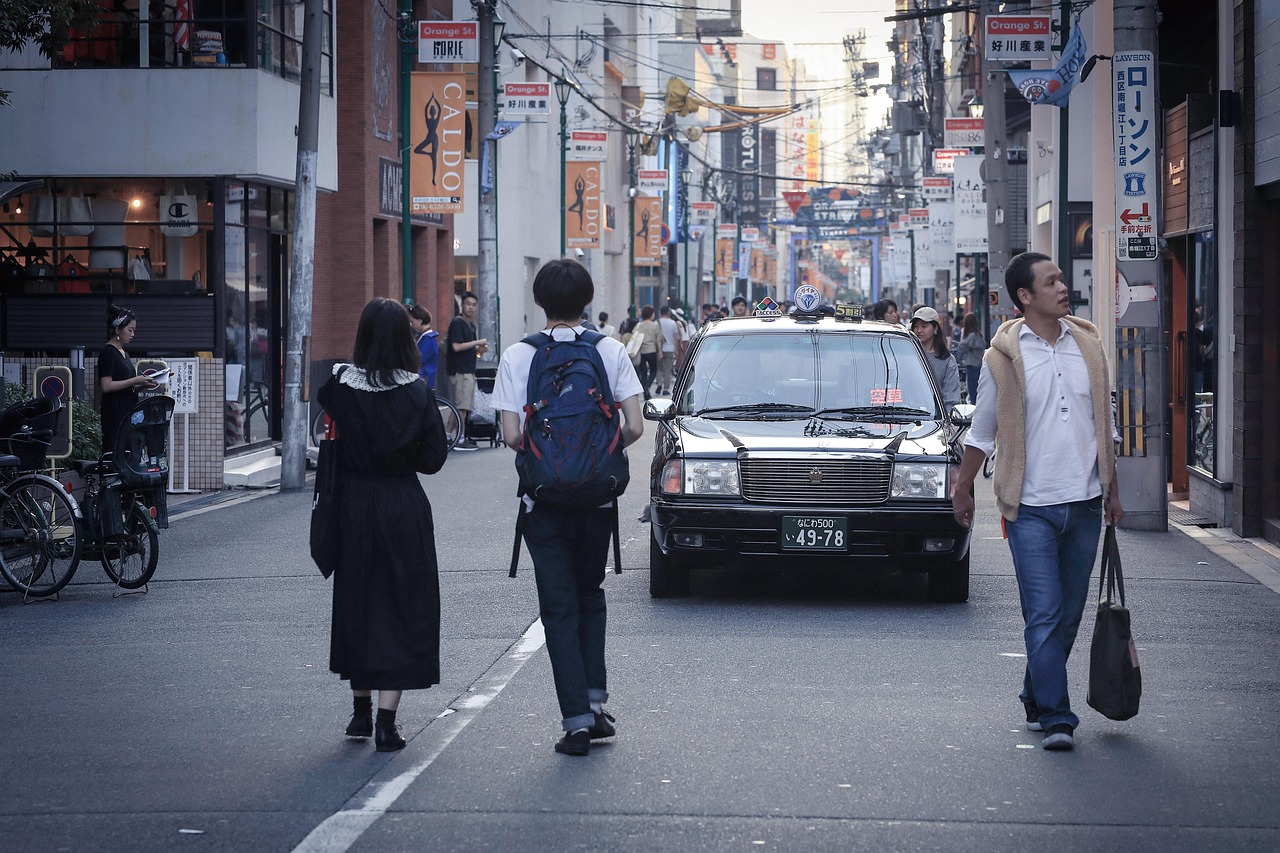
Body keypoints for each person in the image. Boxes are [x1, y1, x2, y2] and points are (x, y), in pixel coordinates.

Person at [951, 251, 1123, 753]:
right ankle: (1056, 716)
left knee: (1068, 614)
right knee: (1044, 613)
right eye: (1051, 282)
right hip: (1029, 507)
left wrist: (1112, 490)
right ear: (1025, 296)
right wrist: (963, 489)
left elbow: (1103, 425)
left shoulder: (1088, 345)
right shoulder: (1002, 356)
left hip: (1086, 502)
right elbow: (982, 432)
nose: (1063, 287)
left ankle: (1034, 691)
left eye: (1062, 279)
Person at [492, 259, 644, 756]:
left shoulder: (518, 355)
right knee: (590, 594)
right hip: (596, 498)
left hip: (545, 501)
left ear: (539, 301)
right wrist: (594, 454)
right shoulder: (610, 349)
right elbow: (636, 427)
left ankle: (576, 721)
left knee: (558, 607)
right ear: (586, 300)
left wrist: (550, 458)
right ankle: (597, 706)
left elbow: (512, 435)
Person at [316, 298, 449, 753]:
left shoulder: (338, 386)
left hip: (352, 504)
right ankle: (387, 724)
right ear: (404, 339)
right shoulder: (416, 392)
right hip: (401, 503)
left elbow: (328, 413)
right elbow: (433, 460)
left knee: (358, 599)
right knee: (401, 604)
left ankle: (359, 712)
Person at [98, 304, 157, 455]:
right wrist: (135, 380)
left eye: (134, 330)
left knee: (129, 450)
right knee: (116, 449)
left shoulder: (124, 353)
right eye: (130, 330)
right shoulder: (108, 353)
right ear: (118, 330)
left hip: (127, 408)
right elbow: (106, 385)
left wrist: (143, 383)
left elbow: (127, 383)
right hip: (115, 410)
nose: (132, 334)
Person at [446, 291, 488, 451]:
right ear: (462, 305)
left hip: (468, 369)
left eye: (474, 305)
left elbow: (470, 351)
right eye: (468, 304)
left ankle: (448, 435)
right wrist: (477, 342)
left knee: (461, 406)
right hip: (460, 371)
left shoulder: (471, 325)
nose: (471, 308)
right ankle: (461, 438)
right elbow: (456, 346)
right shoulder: (457, 323)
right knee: (462, 407)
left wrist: (479, 350)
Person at [910, 306, 962, 406]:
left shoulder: (947, 360)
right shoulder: (907, 357)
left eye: (924, 326)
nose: (919, 330)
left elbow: (951, 398)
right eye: (916, 326)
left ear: (935, 328)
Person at [954, 312, 987, 403]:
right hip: (979, 366)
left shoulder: (972, 337)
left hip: (972, 367)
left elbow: (962, 347)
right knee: (978, 393)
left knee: (973, 394)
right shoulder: (979, 335)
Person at [632, 305, 662, 398]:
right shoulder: (655, 325)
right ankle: (647, 386)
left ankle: (645, 389)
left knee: (643, 372)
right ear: (651, 314)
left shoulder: (639, 325)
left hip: (641, 352)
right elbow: (658, 339)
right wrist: (660, 351)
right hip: (651, 350)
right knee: (653, 371)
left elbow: (634, 335)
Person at [407, 303, 439, 390]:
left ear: (420, 320)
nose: (411, 324)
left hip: (424, 379)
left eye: (412, 321)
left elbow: (418, 358)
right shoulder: (427, 338)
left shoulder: (428, 339)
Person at [657, 305, 680, 393]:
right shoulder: (673, 323)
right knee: (667, 368)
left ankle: (659, 383)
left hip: (659, 348)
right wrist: (676, 349)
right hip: (670, 348)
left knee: (659, 368)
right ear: (668, 312)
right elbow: (676, 337)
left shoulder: (657, 322)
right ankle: (666, 388)